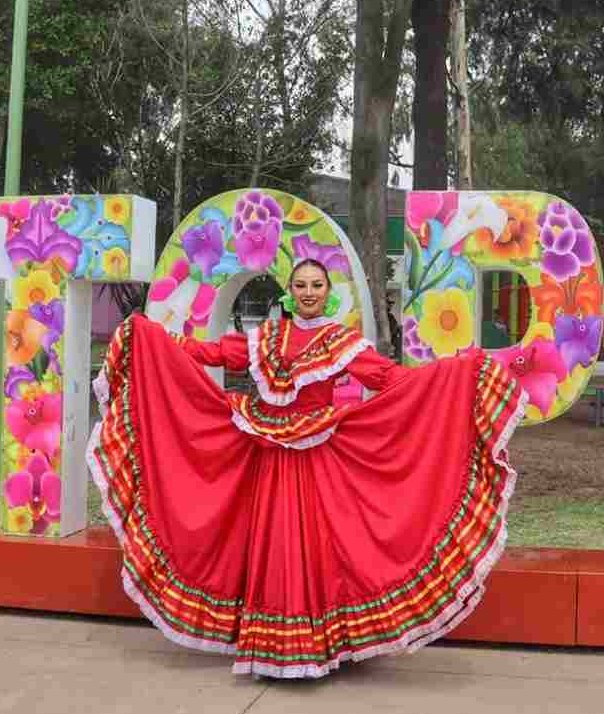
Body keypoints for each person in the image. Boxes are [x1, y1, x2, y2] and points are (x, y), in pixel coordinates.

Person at [88, 258, 527, 678]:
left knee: (316, 544)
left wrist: (452, 374)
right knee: (268, 540)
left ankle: (317, 647)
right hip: (265, 455)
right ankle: (270, 648)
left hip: (317, 456)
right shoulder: (267, 337)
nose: (309, 292)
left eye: (317, 285)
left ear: (327, 292)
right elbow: (217, 353)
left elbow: (391, 380)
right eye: (301, 286)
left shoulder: (341, 341)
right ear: (290, 292)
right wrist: (160, 341)